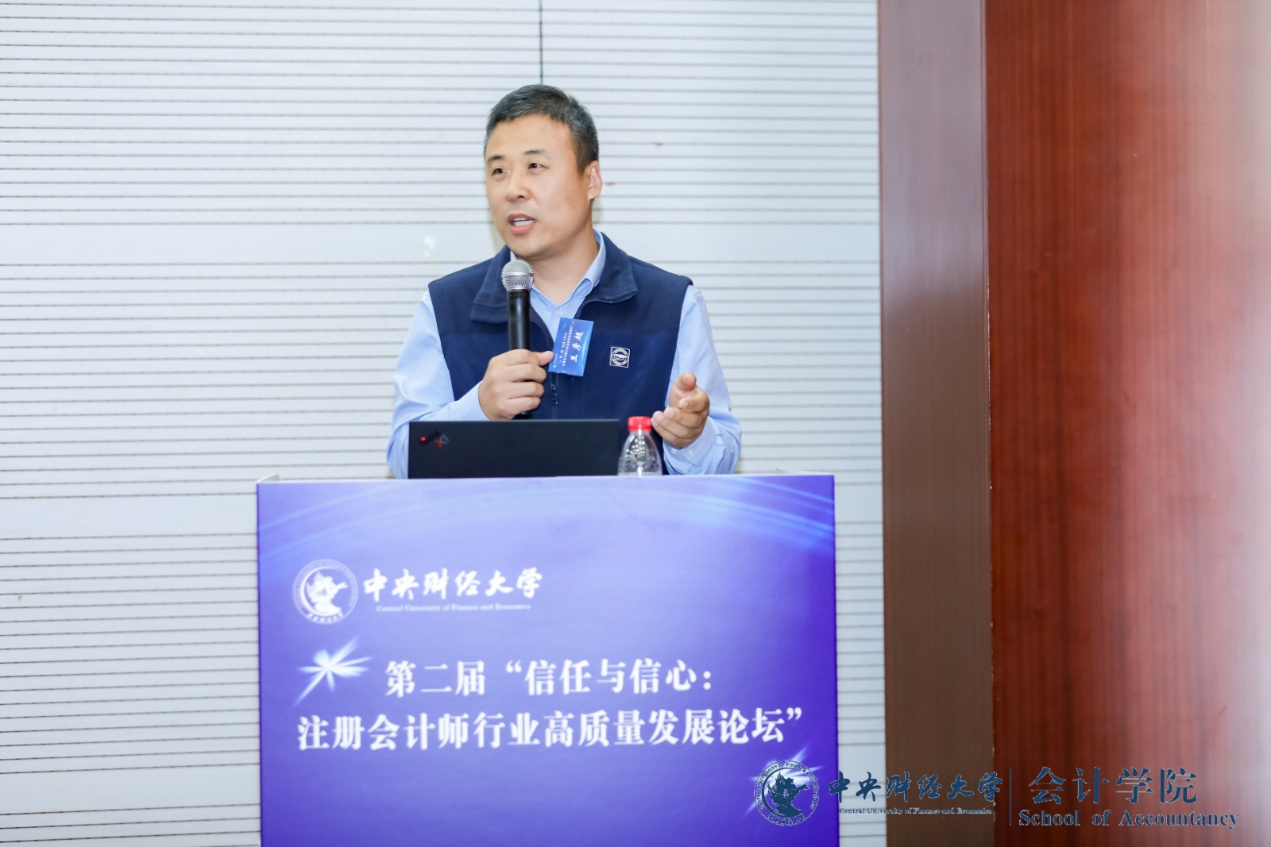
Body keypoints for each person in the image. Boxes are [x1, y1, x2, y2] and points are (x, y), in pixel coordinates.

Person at [386, 84, 740, 478]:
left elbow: (722, 459)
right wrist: (478, 410)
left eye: (535, 166)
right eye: (499, 171)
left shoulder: (670, 305)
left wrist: (691, 437)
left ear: (591, 180)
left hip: (624, 521)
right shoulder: (446, 307)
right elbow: (405, 458)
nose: (513, 190)